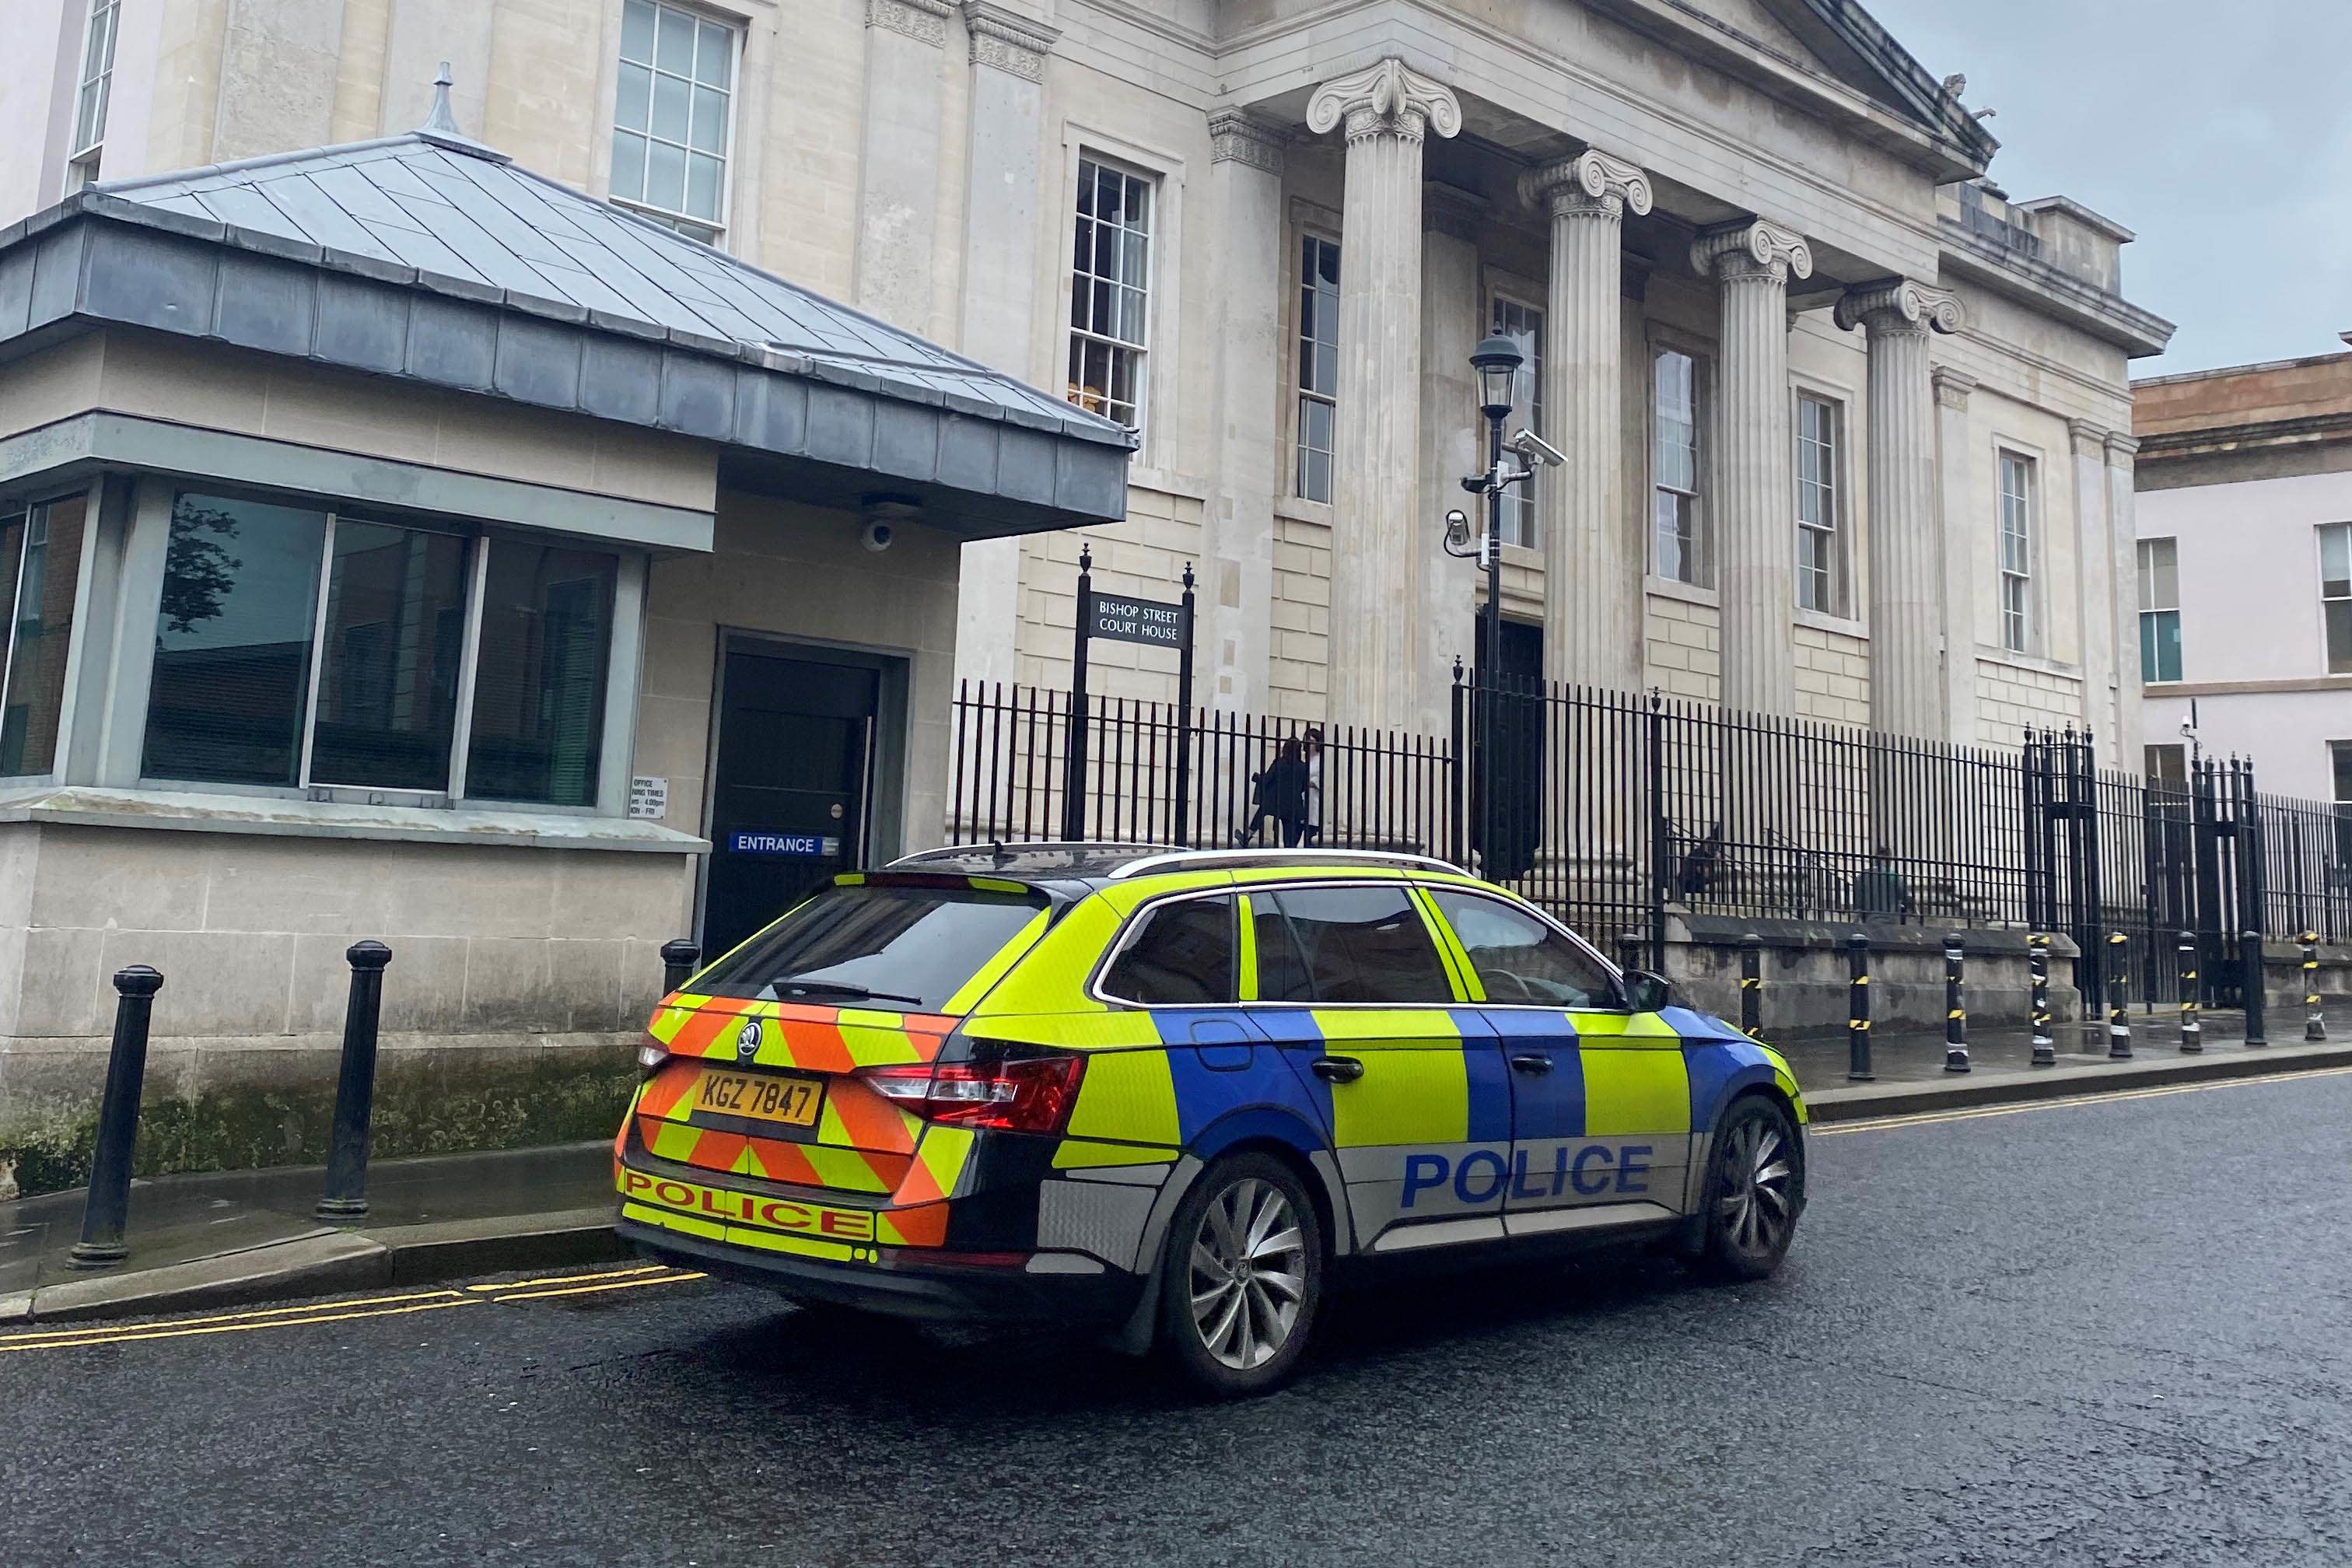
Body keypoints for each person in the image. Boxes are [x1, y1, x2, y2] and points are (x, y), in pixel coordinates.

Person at [1237, 738, 1310, 847]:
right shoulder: (1303, 767)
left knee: (1262, 811)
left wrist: (1257, 778)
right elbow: (1304, 786)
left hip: (1275, 801)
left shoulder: (1279, 763)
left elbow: (1267, 780)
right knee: (1288, 830)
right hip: (1293, 803)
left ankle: (1248, 835)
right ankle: (1289, 848)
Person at [1852, 845, 1913, 920]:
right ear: (1889, 860)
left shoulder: (1862, 876)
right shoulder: (1893, 876)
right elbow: (1906, 898)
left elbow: (1858, 904)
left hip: (1870, 921)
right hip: (1891, 921)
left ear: (1875, 860)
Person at [1300, 728, 1325, 846]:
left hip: (1314, 799)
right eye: (1306, 741)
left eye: (1311, 741)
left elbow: (1323, 778)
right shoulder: (1303, 758)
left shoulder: (1322, 759)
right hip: (1302, 798)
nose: (1308, 744)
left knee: (1311, 833)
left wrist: (1311, 782)